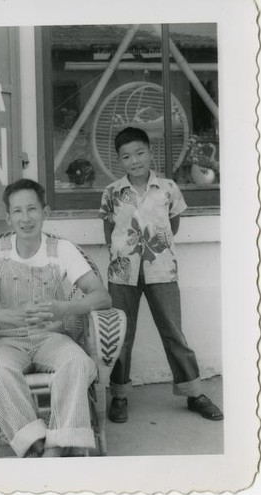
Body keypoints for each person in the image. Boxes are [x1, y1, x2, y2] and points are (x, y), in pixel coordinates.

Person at [0, 179, 112, 458]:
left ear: (45, 212)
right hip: (6, 341)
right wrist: (6, 316)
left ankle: (58, 446)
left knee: (77, 362)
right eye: (17, 211)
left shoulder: (61, 250)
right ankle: (35, 444)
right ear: (8, 217)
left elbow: (102, 297)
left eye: (32, 209)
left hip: (51, 338)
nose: (25, 218)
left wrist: (63, 309)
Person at [99, 126, 223, 424]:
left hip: (161, 269)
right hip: (122, 272)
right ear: (120, 160)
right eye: (127, 156)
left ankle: (194, 393)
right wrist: (124, 252)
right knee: (121, 336)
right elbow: (109, 230)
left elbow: (173, 225)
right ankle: (119, 396)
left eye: (140, 152)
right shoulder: (112, 192)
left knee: (173, 331)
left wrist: (154, 249)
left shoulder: (167, 187)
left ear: (150, 152)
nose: (135, 160)